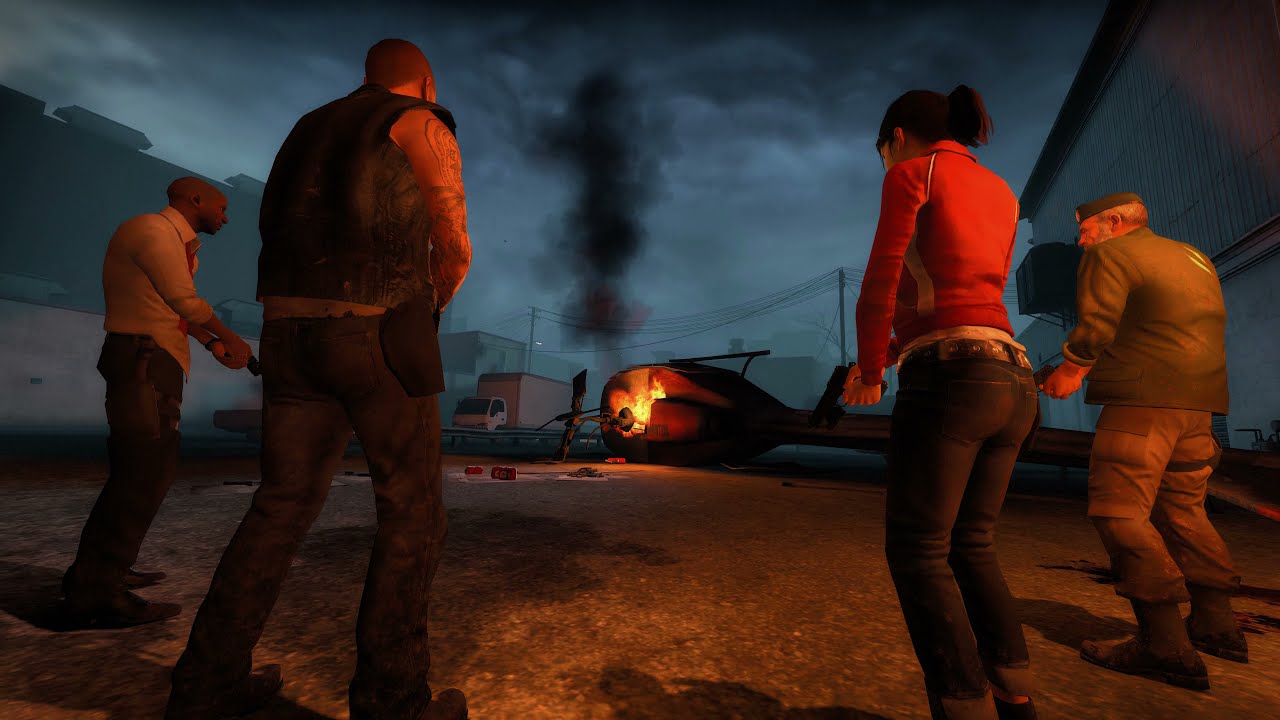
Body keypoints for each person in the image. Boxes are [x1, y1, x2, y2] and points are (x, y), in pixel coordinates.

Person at [166, 39, 472, 720]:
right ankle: (391, 702)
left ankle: (205, 686)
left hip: (288, 335)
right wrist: (432, 304)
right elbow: (454, 243)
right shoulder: (421, 121)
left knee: (279, 506)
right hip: (377, 329)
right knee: (412, 511)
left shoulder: (306, 127)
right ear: (424, 82)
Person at [847, 86, 1039, 720]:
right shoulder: (1001, 189)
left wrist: (870, 369)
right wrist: (895, 346)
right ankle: (1016, 699)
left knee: (918, 550)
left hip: (951, 379)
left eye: (883, 151)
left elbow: (883, 278)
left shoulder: (913, 173)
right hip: (1012, 378)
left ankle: (963, 707)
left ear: (897, 138)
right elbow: (972, 293)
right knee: (973, 544)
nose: (884, 161)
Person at [1041, 192, 1245, 691]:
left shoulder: (1111, 254)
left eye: (1085, 230)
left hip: (1142, 403)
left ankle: (1164, 644)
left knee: (1119, 512)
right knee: (1183, 509)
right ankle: (1218, 624)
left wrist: (1071, 369)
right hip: (1198, 405)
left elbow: (1097, 324)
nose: (1081, 241)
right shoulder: (1193, 257)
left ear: (1113, 221)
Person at [61, 177, 253, 629]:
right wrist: (231, 338)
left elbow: (172, 309)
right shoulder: (154, 231)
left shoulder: (177, 245)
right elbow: (182, 300)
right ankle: (97, 591)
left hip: (151, 359)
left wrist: (209, 343)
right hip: (143, 359)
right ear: (195, 200)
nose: (225, 218)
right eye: (222, 208)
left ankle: (98, 571)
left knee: (141, 471)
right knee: (144, 473)